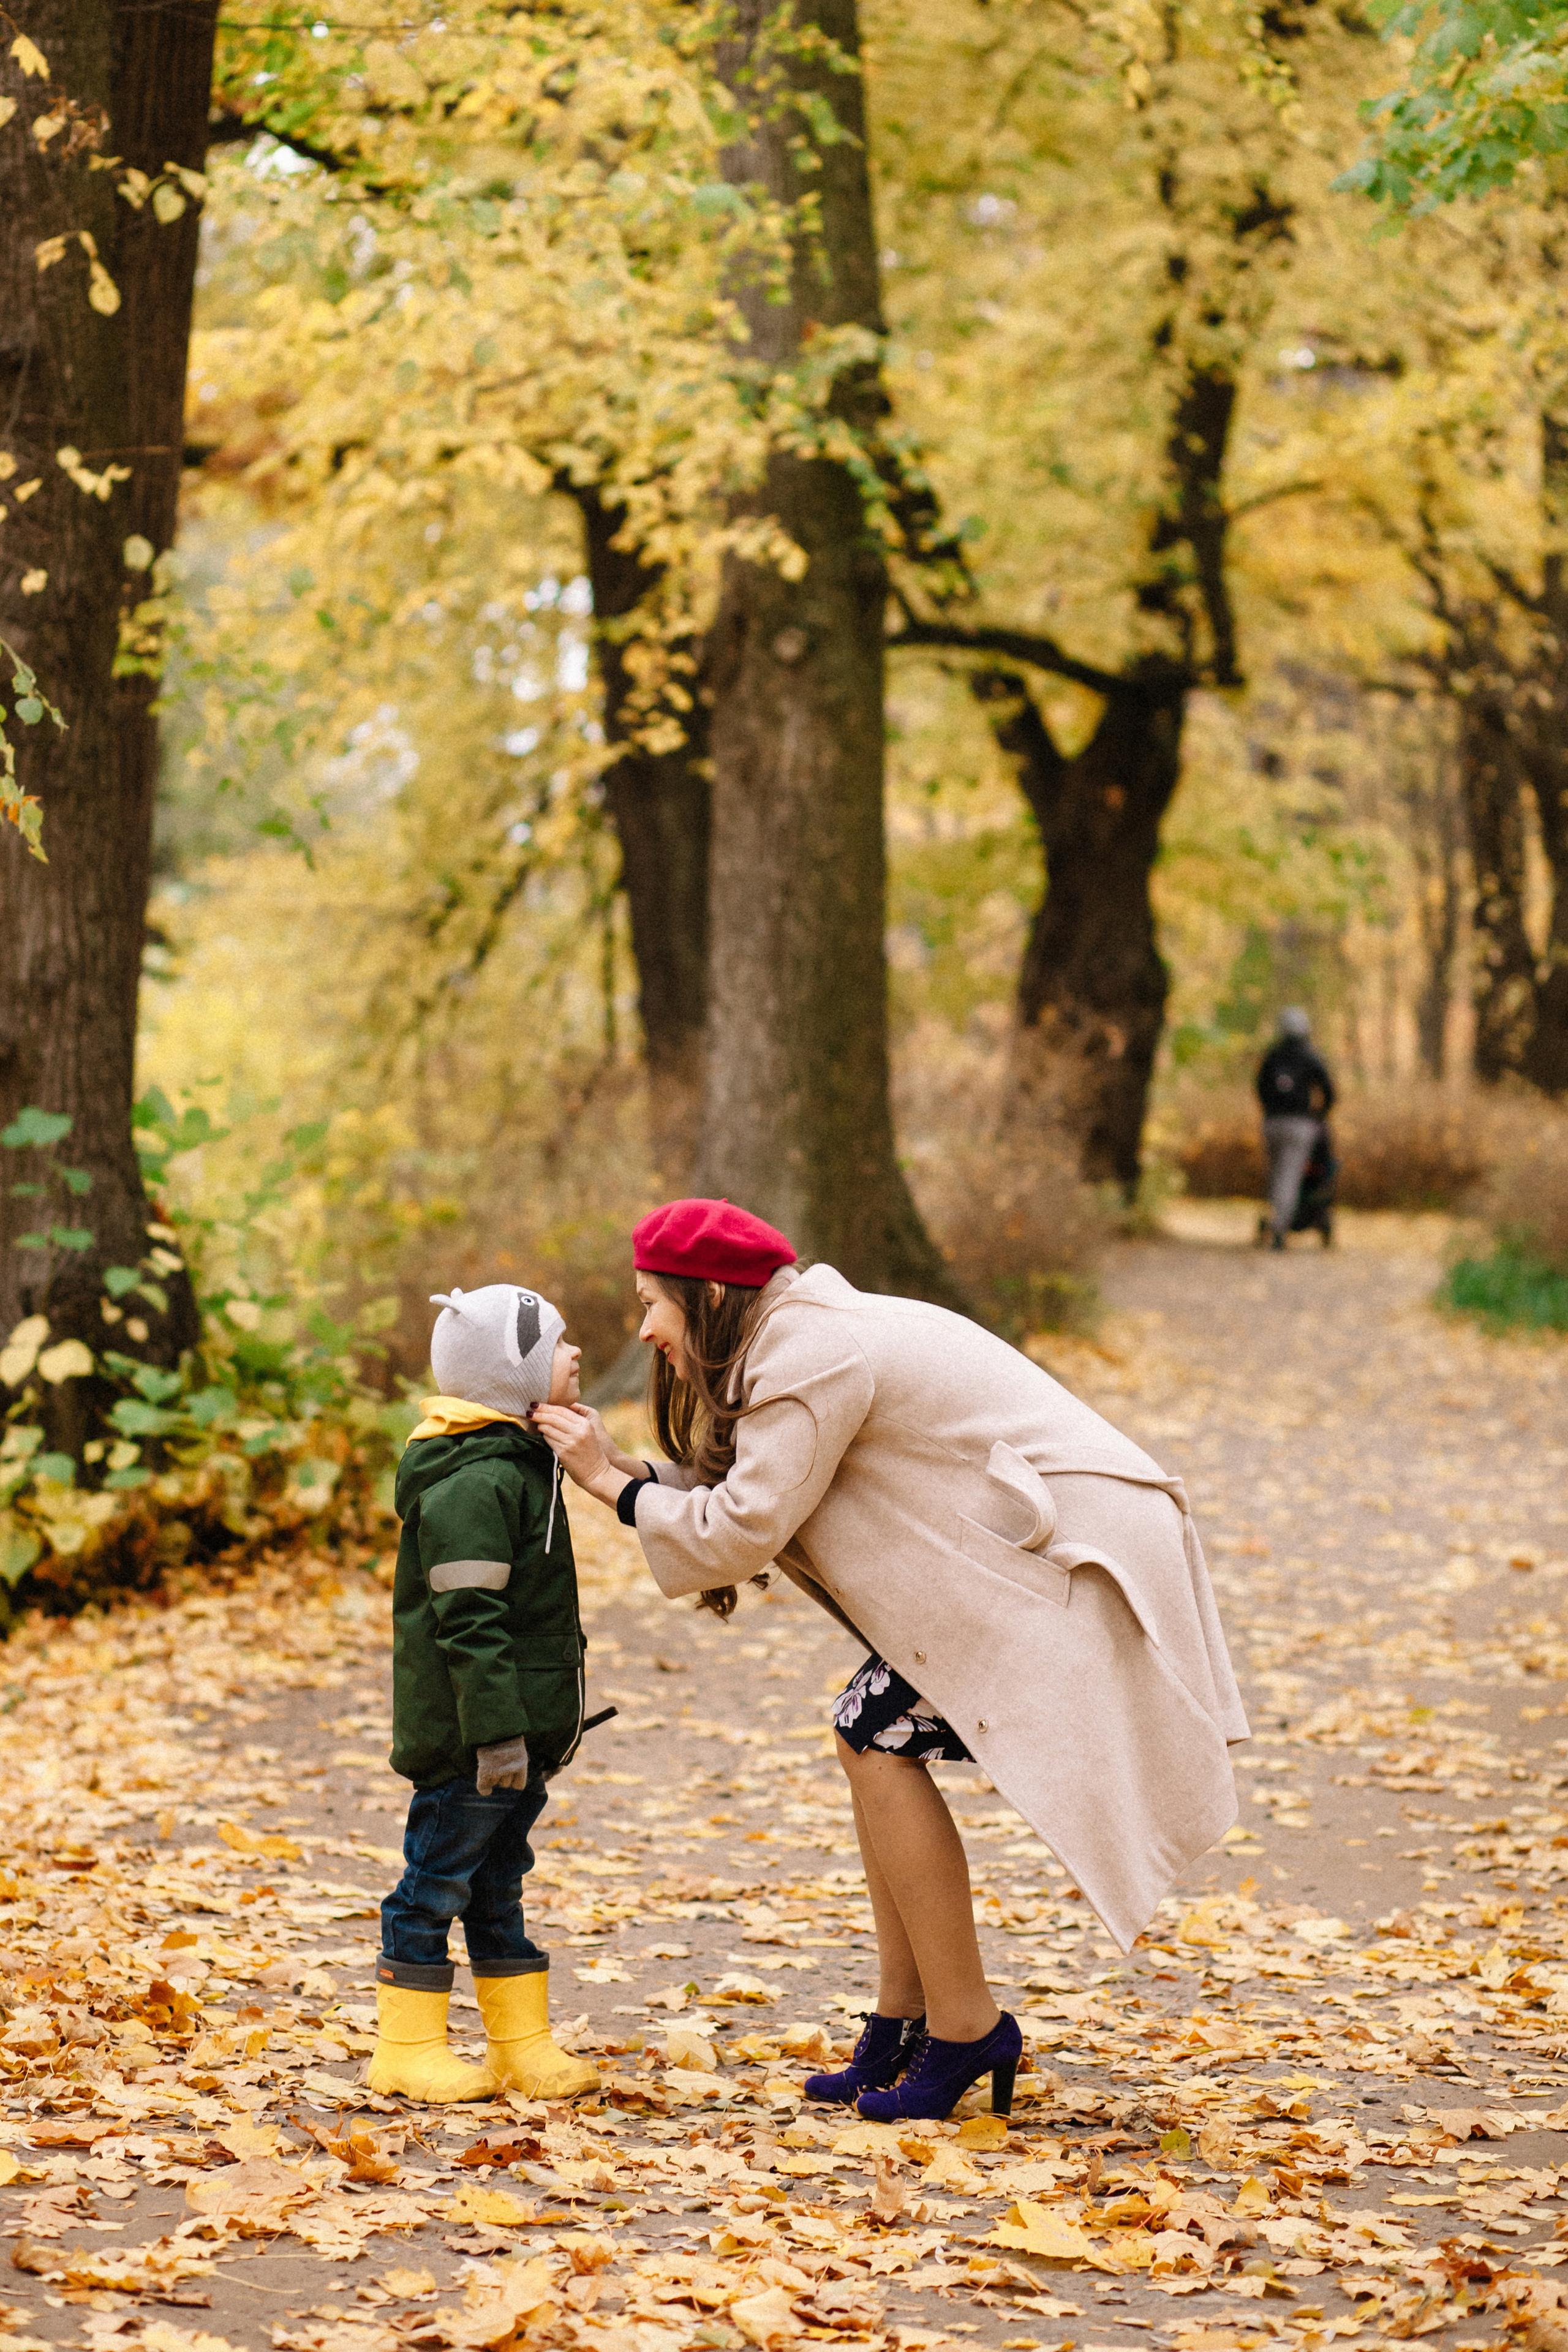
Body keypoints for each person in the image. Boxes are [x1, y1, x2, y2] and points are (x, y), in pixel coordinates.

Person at [533, 1198, 1248, 2124]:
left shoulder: (807, 1353)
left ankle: (963, 2027)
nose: (644, 1329)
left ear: (707, 1295)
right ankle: (907, 2022)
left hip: (1073, 1558)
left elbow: (740, 1529)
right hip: (1031, 1545)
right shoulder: (789, 1338)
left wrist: (606, 1482)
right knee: (869, 1733)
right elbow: (745, 1491)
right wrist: (619, 1466)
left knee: (873, 1733)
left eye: (651, 1303)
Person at [367, 1281, 600, 2106]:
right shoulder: (475, 1483)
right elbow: (470, 1621)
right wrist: (498, 1734)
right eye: (557, 1344)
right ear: (515, 1374)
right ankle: (406, 2049)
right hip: (474, 1741)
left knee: (499, 1885)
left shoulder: (515, 1462)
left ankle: (519, 2047)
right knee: (432, 1887)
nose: (576, 1352)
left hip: (513, 1737)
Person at [1256, 1008, 1335, 1251]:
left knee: (1277, 1174)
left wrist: (1270, 1110)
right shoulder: (1310, 1056)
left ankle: (1275, 1219)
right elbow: (1329, 1091)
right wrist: (1319, 1116)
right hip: (1300, 1125)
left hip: (1272, 1124)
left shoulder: (1273, 1056)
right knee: (1289, 1175)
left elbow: (1260, 1087)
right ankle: (1280, 1228)